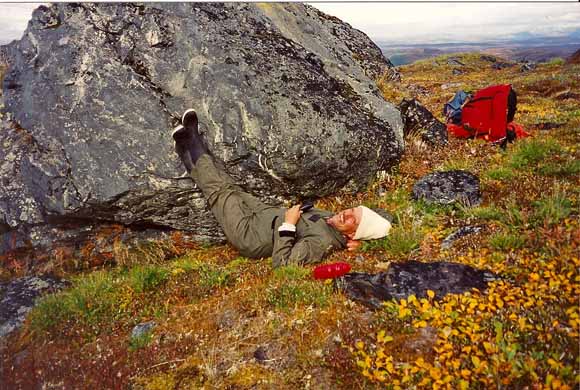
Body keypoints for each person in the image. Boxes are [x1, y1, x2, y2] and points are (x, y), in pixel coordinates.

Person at [171, 109, 392, 268]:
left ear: (353, 233)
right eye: (352, 210)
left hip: (251, 236)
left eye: (352, 219)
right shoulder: (336, 222)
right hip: (263, 213)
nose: (346, 213)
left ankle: (192, 139)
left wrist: (289, 225)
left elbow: (284, 264)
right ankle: (185, 145)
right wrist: (366, 245)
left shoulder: (321, 243)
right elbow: (387, 217)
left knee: (220, 192)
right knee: (229, 187)